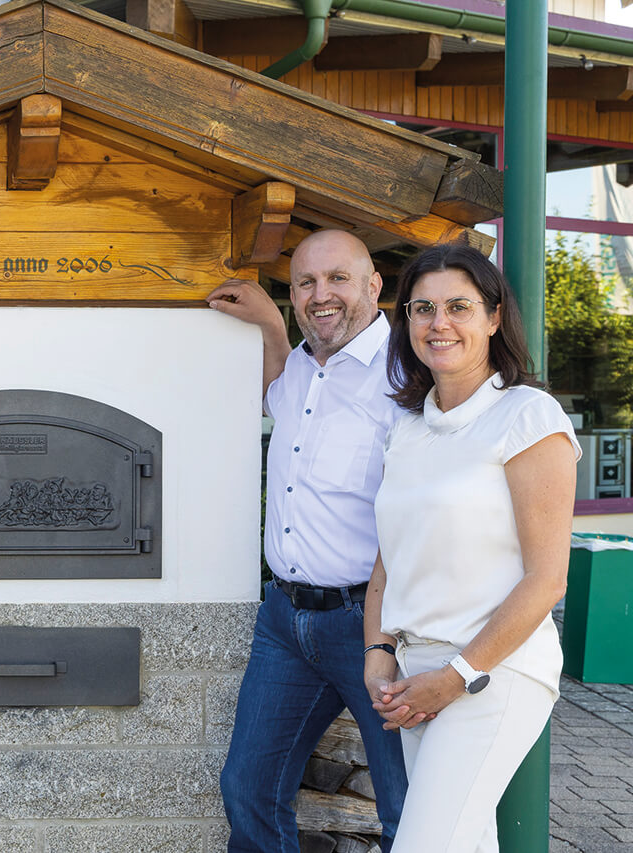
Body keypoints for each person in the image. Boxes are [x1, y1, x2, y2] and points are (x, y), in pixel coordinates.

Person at [365, 244, 577, 852]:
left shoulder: (527, 416)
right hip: (415, 675)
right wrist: (378, 650)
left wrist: (458, 676)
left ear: (493, 317)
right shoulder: (408, 425)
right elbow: (390, 551)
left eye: (459, 306)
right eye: (422, 308)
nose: (439, 323)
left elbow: (547, 578)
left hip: (493, 674)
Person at [209, 229, 407, 852]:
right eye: (305, 283)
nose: (322, 295)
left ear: (375, 286)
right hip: (284, 621)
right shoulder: (300, 366)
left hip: (371, 623)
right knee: (249, 788)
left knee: (409, 806)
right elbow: (276, 395)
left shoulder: (410, 377)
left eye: (338, 279)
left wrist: (383, 633)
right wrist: (272, 328)